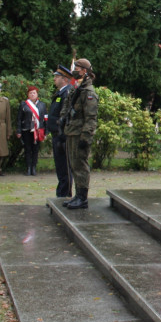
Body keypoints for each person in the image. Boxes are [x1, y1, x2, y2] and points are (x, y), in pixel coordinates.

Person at [61, 59, 98, 209]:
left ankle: (83, 197)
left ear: (84, 70)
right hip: (72, 131)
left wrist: (86, 137)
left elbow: (91, 118)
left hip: (80, 134)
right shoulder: (78, 88)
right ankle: (78, 195)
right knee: (74, 164)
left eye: (77, 67)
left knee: (80, 165)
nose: (74, 70)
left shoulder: (88, 92)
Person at [46, 66, 73, 199]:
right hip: (57, 135)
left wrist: (62, 135)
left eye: (57, 77)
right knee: (61, 168)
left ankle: (64, 195)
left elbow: (66, 116)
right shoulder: (59, 94)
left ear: (64, 79)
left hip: (63, 136)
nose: (54, 79)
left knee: (65, 168)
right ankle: (61, 193)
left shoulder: (67, 93)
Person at [17, 86, 47, 176]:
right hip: (27, 130)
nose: (32, 94)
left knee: (35, 149)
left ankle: (34, 167)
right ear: (28, 94)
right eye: (30, 93)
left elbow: (45, 118)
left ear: (37, 94)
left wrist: (46, 131)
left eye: (34, 93)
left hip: (38, 131)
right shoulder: (24, 104)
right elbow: (19, 118)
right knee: (27, 149)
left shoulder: (42, 105)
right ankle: (28, 168)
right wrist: (18, 130)